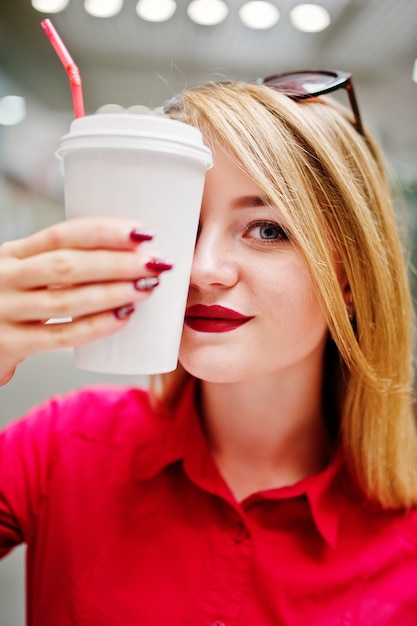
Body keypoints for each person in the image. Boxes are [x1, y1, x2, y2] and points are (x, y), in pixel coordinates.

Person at [1, 70, 417, 625]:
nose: (202, 270)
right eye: (184, 225)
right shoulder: (60, 447)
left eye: (268, 229)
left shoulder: (405, 538)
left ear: (348, 278)